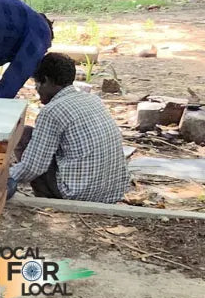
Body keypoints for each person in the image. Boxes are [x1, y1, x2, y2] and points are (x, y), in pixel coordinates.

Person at [8, 53, 129, 203]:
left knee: (25, 135)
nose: (37, 91)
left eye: (37, 84)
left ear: (45, 80)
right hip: (111, 192)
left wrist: (5, 177)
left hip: (77, 194)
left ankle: (47, 198)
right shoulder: (92, 99)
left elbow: (33, 167)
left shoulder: (52, 111)